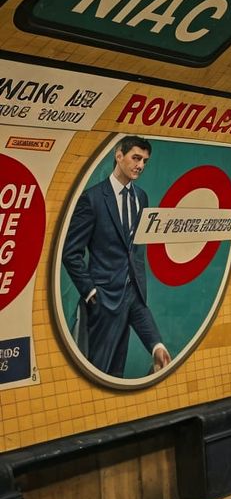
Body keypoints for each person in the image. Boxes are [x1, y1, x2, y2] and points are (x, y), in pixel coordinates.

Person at [62, 134, 171, 378]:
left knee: (116, 375)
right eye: (136, 158)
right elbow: (71, 253)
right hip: (102, 300)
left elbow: (134, 254)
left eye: (145, 161)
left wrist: (157, 346)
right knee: (97, 374)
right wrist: (91, 292)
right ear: (118, 156)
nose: (140, 165)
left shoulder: (141, 198)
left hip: (132, 295)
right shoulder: (92, 199)